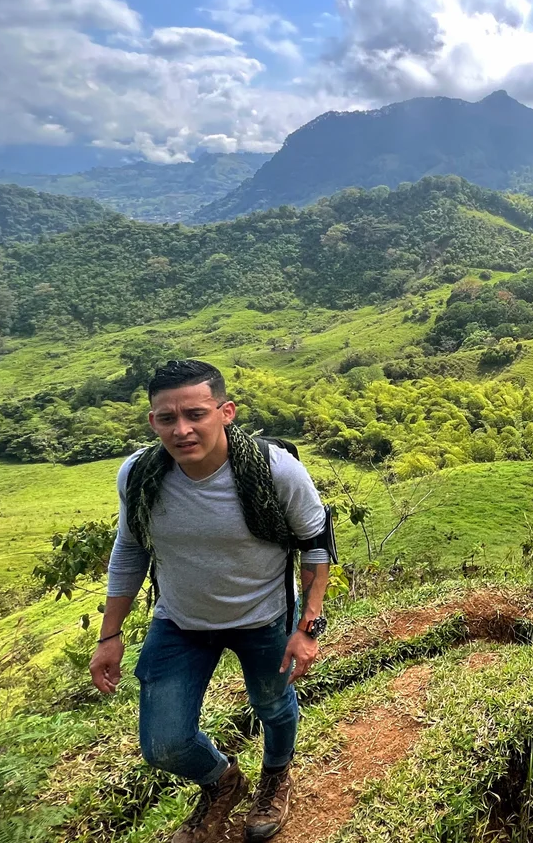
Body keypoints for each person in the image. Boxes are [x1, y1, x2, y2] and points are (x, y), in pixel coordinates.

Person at [91, 360, 335, 843]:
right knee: (164, 743)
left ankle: (275, 776)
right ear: (152, 422)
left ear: (226, 412)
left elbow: (316, 541)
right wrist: (110, 635)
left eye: (196, 414)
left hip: (264, 618)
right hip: (180, 621)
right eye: (167, 418)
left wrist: (307, 627)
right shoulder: (139, 475)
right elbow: (131, 548)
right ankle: (222, 782)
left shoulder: (274, 470)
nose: (182, 430)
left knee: (273, 704)